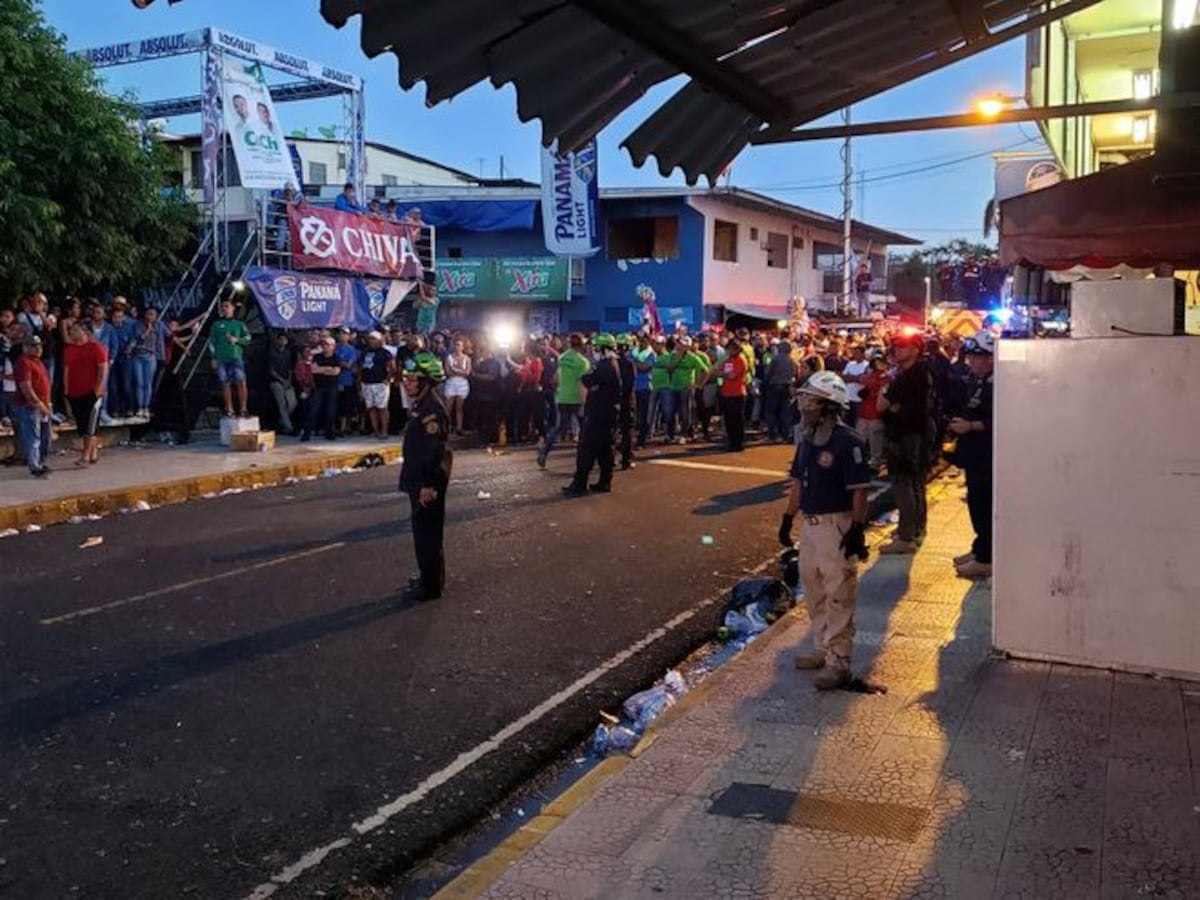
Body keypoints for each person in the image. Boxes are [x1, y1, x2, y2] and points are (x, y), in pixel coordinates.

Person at [777, 372, 872, 690]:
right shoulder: (807, 439)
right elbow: (799, 482)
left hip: (836, 525)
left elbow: (859, 490)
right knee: (813, 587)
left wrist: (857, 528)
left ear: (828, 405)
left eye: (810, 399)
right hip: (811, 524)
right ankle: (821, 647)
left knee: (839, 593)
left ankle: (839, 661)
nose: (804, 405)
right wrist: (789, 517)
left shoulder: (848, 442)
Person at [398, 352, 452, 602]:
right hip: (419, 477)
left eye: (413, 379)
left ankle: (430, 587)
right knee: (423, 533)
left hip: (427, 481)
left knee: (427, 534)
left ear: (427, 381)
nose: (407, 382)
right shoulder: (422, 402)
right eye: (406, 378)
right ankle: (428, 577)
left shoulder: (431, 409)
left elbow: (434, 450)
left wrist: (427, 485)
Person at [877, 330, 933, 554]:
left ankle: (906, 536)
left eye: (902, 346)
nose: (897, 349)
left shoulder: (909, 376)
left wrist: (886, 392)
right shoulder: (918, 373)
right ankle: (916, 529)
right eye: (896, 346)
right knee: (916, 484)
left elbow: (881, 405)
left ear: (915, 350)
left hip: (905, 435)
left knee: (904, 484)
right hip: (915, 433)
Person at [948, 330, 995, 579]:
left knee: (984, 505)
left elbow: (999, 418)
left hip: (986, 455)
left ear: (990, 358)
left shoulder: (997, 384)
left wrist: (972, 426)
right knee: (976, 504)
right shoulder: (977, 381)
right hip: (973, 454)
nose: (972, 362)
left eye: (977, 357)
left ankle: (986, 557)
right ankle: (980, 549)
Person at [563, 333, 621, 496]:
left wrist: (591, 383)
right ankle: (604, 482)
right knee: (604, 450)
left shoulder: (604, 365)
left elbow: (587, 380)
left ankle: (579, 484)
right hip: (607, 413)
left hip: (598, 413)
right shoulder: (612, 364)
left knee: (586, 449)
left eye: (595, 347)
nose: (592, 350)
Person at [537, 333, 589, 468]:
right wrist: (585, 402)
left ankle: (545, 451)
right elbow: (582, 383)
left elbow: (555, 378)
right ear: (582, 345)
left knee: (559, 427)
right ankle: (586, 458)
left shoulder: (562, 357)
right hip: (577, 398)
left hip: (562, 397)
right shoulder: (582, 362)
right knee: (585, 429)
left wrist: (559, 390)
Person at [62, 322, 108, 467]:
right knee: (82, 425)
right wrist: (66, 388)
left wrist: (98, 389)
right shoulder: (69, 350)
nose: (72, 332)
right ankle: (93, 451)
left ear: (84, 331)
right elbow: (67, 370)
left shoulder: (96, 347)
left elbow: (103, 370)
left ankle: (85, 455)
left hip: (91, 391)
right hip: (75, 392)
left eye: (75, 330)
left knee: (90, 425)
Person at [12, 336, 53, 477]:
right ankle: (35, 467)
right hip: (30, 405)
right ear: (25, 348)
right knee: (33, 436)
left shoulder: (38, 362)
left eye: (39, 346)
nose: (38, 349)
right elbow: (26, 387)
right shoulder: (24, 363)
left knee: (44, 436)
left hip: (43, 404)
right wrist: (38, 403)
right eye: (34, 346)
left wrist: (47, 403)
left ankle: (40, 462)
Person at [209, 300, 251, 418]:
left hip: (236, 356)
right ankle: (230, 409)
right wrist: (213, 358)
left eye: (227, 306)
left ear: (233, 308)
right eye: (223, 306)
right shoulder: (216, 324)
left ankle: (243, 409)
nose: (224, 308)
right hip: (221, 357)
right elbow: (212, 342)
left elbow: (248, 338)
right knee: (225, 383)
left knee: (241, 382)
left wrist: (237, 340)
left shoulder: (239, 324)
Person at [302, 335, 341, 441]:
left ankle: (330, 433)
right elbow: (313, 370)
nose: (325, 346)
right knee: (314, 410)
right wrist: (328, 369)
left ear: (333, 346)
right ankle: (307, 433)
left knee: (330, 410)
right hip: (319, 387)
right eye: (323, 344)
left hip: (332, 387)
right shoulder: (317, 356)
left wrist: (321, 369)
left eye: (328, 344)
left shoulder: (336, 357)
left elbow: (336, 372)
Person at [359, 330, 395, 439]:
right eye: (370, 338)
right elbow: (361, 366)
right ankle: (375, 431)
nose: (372, 341)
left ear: (380, 340)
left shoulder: (385, 352)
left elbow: (392, 367)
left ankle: (384, 430)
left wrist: (387, 380)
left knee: (382, 408)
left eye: (374, 338)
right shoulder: (364, 352)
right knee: (371, 408)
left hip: (380, 383)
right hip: (367, 383)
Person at [718, 334, 749, 451]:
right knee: (729, 420)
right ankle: (732, 442)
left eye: (731, 348)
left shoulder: (740, 360)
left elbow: (732, 375)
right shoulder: (728, 360)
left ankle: (738, 443)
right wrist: (723, 374)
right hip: (727, 393)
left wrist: (723, 374)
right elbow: (719, 371)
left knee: (737, 420)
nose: (729, 351)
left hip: (737, 394)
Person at [268, 332, 298, 435]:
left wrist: (289, 380)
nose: (283, 341)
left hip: (288, 381)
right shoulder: (272, 353)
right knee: (282, 405)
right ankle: (289, 428)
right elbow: (272, 370)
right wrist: (282, 380)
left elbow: (290, 368)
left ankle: (282, 421)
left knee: (293, 403)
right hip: (276, 382)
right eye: (281, 339)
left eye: (285, 339)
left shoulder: (288, 353)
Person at [615, 334, 636, 469]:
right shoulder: (629, 364)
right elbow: (630, 385)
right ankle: (626, 461)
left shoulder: (610, 362)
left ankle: (610, 459)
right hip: (625, 401)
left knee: (611, 432)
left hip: (611, 401)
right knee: (626, 432)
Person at [631, 334, 655, 448]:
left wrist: (633, 363)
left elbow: (645, 367)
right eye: (640, 340)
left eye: (644, 340)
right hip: (632, 387)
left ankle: (642, 440)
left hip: (645, 387)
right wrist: (636, 364)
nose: (642, 343)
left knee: (643, 415)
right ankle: (634, 439)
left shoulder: (651, 354)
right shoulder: (633, 352)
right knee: (634, 415)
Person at [444, 338, 472, 436]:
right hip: (451, 383)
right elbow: (448, 372)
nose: (457, 347)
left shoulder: (467, 358)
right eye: (456, 345)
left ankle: (459, 428)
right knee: (448, 407)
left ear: (463, 347)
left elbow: (467, 372)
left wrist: (455, 370)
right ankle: (447, 427)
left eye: (459, 345)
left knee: (459, 407)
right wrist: (460, 371)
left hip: (462, 384)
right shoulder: (449, 357)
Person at [334, 327, 359, 435]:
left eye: (345, 334)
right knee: (337, 404)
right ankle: (338, 426)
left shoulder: (351, 349)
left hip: (347, 380)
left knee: (347, 404)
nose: (342, 335)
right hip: (335, 380)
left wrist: (340, 363)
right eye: (341, 333)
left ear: (349, 336)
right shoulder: (334, 348)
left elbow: (349, 364)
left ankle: (345, 427)